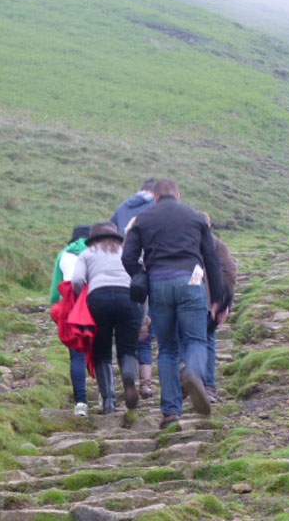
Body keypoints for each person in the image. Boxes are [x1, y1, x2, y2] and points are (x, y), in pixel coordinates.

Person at [122, 178, 225, 428]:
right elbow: (211, 258)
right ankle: (193, 372)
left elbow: (127, 256)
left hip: (159, 283)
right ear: (177, 195)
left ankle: (171, 413)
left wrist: (140, 273)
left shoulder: (143, 219)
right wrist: (219, 298)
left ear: (155, 197)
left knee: (167, 349)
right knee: (197, 340)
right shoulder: (195, 217)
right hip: (191, 280)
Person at [72, 222, 142, 414]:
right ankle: (128, 376)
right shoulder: (126, 251)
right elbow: (141, 276)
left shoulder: (87, 254)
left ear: (93, 238)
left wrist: (81, 295)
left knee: (101, 351)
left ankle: (109, 401)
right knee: (127, 349)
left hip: (98, 299)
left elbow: (77, 280)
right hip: (128, 298)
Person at [111, 179, 157, 399]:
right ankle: (147, 383)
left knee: (126, 336)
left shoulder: (123, 207)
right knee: (146, 335)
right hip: (149, 269)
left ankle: (126, 377)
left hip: (119, 274)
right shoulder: (157, 208)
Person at [50, 224, 92, 417]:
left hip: (71, 304)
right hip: (94, 300)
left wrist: (55, 312)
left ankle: (81, 402)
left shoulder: (64, 254)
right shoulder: (97, 250)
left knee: (77, 355)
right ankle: (109, 398)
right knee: (101, 350)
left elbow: (54, 293)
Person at [200, 212, 237, 403]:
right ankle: (208, 386)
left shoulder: (179, 243)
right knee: (208, 341)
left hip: (183, 301)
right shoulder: (217, 245)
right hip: (209, 302)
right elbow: (229, 273)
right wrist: (224, 303)